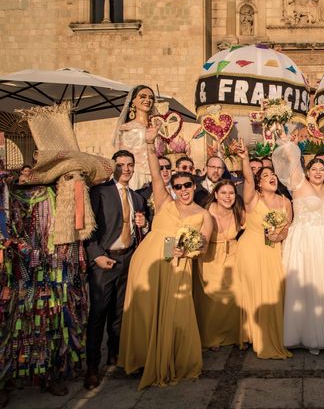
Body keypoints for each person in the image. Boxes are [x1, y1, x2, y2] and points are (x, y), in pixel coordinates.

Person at [118, 124, 213, 390]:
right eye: (178, 186)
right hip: (148, 260)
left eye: (187, 185)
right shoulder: (164, 201)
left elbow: (203, 244)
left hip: (178, 263)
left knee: (176, 315)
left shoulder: (204, 215)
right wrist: (150, 144)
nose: (183, 189)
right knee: (145, 311)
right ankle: (141, 359)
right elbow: (155, 172)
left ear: (194, 186)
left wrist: (189, 250)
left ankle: (172, 358)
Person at [272, 139, 324, 354]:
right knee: (304, 285)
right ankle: (304, 335)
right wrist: (283, 135)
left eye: (321, 169)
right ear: (306, 171)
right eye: (314, 169)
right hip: (304, 240)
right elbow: (290, 156)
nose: (318, 172)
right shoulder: (298, 183)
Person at [84, 150, 147, 390]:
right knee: (98, 314)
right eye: (121, 165)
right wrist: (97, 255)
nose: (126, 169)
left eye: (130, 165)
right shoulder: (100, 192)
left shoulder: (137, 197)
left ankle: (115, 355)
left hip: (127, 259)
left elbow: (141, 229)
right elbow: (87, 229)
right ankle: (92, 367)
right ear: (113, 168)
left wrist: (143, 224)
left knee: (121, 313)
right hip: (104, 260)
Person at [236, 140, 293, 359]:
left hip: (273, 250)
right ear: (259, 183)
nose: (271, 177)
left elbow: (287, 228)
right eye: (265, 175)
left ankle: (270, 333)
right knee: (252, 291)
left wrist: (278, 236)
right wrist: (244, 158)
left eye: (274, 175)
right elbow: (248, 179)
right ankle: (251, 333)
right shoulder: (252, 199)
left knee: (273, 292)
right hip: (250, 248)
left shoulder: (285, 201)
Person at [194, 180, 245, 349]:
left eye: (231, 193)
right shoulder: (205, 212)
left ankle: (233, 335)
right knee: (213, 294)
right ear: (215, 194)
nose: (228, 197)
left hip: (233, 254)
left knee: (236, 291)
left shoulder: (238, 212)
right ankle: (213, 337)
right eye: (223, 193)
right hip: (210, 255)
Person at [113, 85, 157, 190]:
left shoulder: (157, 127)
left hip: (157, 175)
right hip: (136, 176)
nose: (147, 100)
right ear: (133, 101)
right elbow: (120, 156)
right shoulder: (126, 128)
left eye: (151, 98)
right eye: (143, 96)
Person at [136, 155, 174, 227]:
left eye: (168, 167)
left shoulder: (180, 188)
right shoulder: (142, 194)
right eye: (160, 168)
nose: (165, 170)